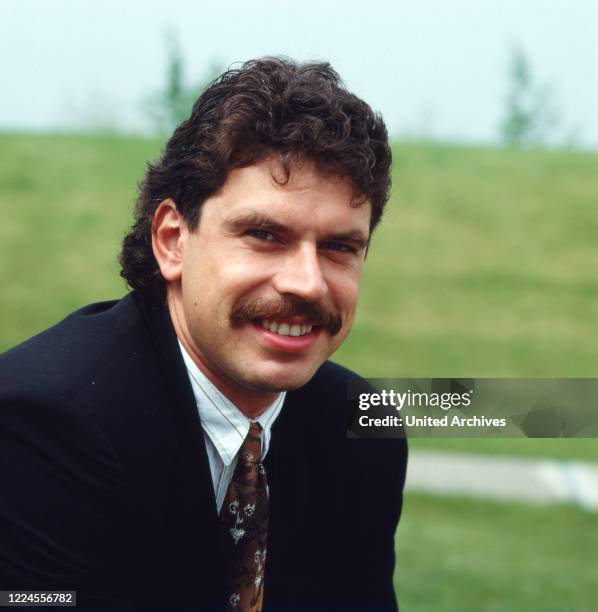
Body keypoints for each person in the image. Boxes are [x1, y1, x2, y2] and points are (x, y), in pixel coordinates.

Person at [0, 58, 407, 610]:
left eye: (339, 246)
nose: (308, 284)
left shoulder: (360, 427)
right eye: (265, 234)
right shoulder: (45, 426)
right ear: (172, 240)